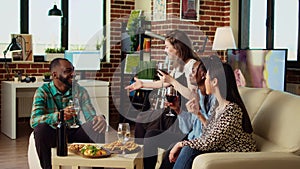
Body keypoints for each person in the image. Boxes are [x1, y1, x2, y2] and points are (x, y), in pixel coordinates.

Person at [125, 30, 199, 169]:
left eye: (166, 47)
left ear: (176, 48)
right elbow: (163, 83)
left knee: (150, 135)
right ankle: (138, 163)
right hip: (173, 111)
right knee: (141, 119)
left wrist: (172, 81)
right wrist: (142, 84)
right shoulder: (179, 65)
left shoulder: (191, 66)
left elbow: (192, 96)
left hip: (183, 116)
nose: (165, 50)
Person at [169, 56, 257, 169]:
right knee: (189, 149)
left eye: (207, 78)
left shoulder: (232, 110)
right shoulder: (218, 107)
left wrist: (181, 144)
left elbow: (209, 141)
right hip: (221, 151)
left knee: (188, 149)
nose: (205, 81)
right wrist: (198, 114)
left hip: (235, 157)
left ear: (214, 82)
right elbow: (210, 132)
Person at [30, 58, 107, 169]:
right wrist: (58, 116)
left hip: (74, 131)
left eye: (73, 70)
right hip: (54, 133)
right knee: (40, 129)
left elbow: (91, 117)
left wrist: (100, 118)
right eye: (68, 71)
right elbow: (34, 121)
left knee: (96, 126)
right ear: (55, 74)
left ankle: (99, 167)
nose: (73, 74)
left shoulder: (80, 90)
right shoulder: (42, 92)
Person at [157, 60, 216, 169]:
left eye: (193, 71)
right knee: (156, 139)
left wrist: (198, 114)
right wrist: (178, 110)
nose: (189, 74)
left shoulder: (215, 99)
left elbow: (212, 131)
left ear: (203, 75)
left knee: (175, 152)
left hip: (200, 143)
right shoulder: (199, 94)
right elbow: (188, 128)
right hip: (191, 138)